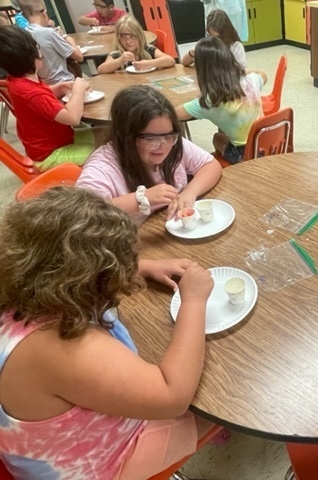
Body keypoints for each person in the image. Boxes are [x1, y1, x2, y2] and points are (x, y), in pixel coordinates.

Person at [0, 186, 219, 479]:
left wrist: (143, 266)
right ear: (89, 279)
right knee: (215, 400)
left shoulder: (24, 289)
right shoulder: (59, 344)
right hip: (101, 464)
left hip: (54, 442)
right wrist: (193, 301)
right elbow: (172, 396)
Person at [76, 85, 222, 224]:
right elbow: (81, 214)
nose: (163, 145)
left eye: (169, 135)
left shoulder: (172, 143)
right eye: (151, 138)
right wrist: (140, 200)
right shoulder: (103, 167)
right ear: (125, 136)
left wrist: (190, 192)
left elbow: (210, 165)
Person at [0, 26, 96, 172]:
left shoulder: (17, 81)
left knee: (106, 133)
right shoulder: (29, 91)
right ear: (33, 56)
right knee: (106, 150)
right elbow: (72, 118)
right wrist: (78, 90)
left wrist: (61, 87)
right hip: (52, 155)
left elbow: (39, 98)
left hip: (49, 145)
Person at [176, 36, 266, 164]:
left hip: (245, 155)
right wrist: (243, 72)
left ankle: (237, 164)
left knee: (217, 138)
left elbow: (176, 113)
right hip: (265, 142)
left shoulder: (209, 101)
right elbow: (263, 75)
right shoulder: (251, 81)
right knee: (224, 128)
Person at [19, 0, 83, 85]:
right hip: (65, 82)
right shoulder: (49, 33)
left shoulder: (23, 34)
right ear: (45, 13)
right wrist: (69, 40)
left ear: (23, 15)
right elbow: (79, 57)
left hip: (44, 85)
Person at [97, 15, 175, 74]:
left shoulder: (148, 49)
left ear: (139, 36)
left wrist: (151, 63)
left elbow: (170, 60)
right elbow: (101, 70)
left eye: (132, 36)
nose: (128, 41)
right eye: (123, 37)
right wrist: (120, 61)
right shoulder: (116, 55)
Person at [181, 9, 247, 68]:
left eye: (219, 37)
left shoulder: (235, 47)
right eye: (211, 36)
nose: (215, 41)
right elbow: (184, 62)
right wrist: (194, 52)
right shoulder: (207, 46)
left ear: (226, 34)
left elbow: (242, 71)